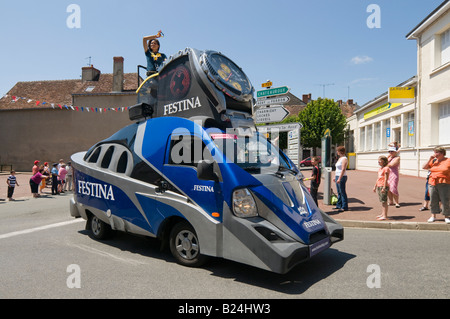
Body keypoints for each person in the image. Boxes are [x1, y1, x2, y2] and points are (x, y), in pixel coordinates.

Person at [422, 147, 450, 224]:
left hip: (444, 182)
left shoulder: (448, 160)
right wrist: (429, 159)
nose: (435, 154)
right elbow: (424, 167)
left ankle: (447, 216)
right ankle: (433, 216)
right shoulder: (434, 160)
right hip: (432, 182)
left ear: (442, 153)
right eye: (435, 152)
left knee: (445, 200)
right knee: (433, 200)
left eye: (437, 152)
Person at [373, 156, 390, 221]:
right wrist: (375, 186)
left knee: (384, 201)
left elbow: (386, 178)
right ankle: (382, 214)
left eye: (380, 160)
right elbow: (378, 178)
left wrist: (384, 187)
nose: (378, 162)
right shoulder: (380, 169)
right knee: (382, 201)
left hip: (383, 185)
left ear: (384, 161)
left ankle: (385, 215)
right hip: (379, 185)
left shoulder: (386, 168)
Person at [334, 146, 348, 212]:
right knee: (339, 192)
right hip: (337, 176)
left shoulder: (344, 159)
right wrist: (335, 177)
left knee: (342, 192)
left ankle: (344, 206)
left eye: (337, 151)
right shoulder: (340, 158)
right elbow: (337, 169)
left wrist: (339, 178)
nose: (337, 152)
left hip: (342, 176)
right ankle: (338, 205)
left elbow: (343, 169)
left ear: (340, 151)